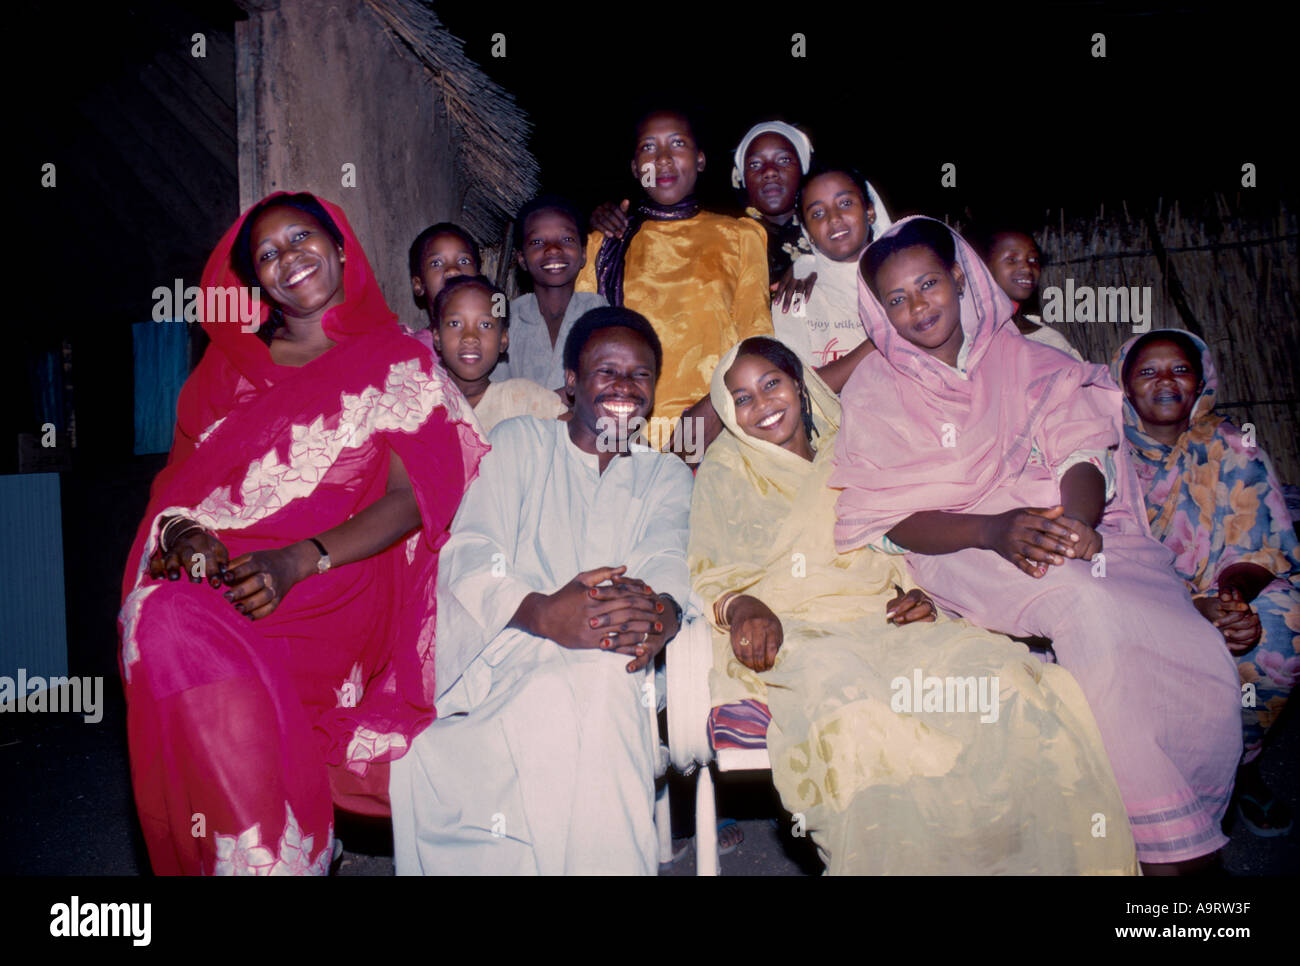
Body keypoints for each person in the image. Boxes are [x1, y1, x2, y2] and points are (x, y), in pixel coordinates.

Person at [831, 216, 1241, 874]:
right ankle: (1171, 848)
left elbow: (1080, 447)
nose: (917, 307)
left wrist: (1078, 522)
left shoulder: (1025, 356)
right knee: (1086, 606)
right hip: (961, 542)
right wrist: (994, 530)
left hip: (1064, 518)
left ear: (962, 277)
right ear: (879, 309)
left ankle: (1175, 812)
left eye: (930, 283)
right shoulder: (877, 389)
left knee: (1184, 638)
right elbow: (890, 517)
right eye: (897, 299)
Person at [118, 192, 487, 875]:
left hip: (335, 581)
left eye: (300, 238)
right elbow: (175, 494)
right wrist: (180, 538)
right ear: (256, 283)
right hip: (220, 582)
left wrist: (298, 560)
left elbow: (413, 500)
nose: (288, 257)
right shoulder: (223, 373)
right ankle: (273, 859)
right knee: (158, 614)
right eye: (267, 254)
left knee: (211, 651)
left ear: (341, 248)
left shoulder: (396, 359)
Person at [689, 336, 1135, 874]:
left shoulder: (856, 447)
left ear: (802, 385)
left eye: (771, 385)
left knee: (1006, 687)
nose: (761, 406)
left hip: (887, 617)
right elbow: (711, 570)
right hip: (798, 631)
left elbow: (901, 536)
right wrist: (744, 609)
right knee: (859, 723)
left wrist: (917, 594)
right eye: (741, 399)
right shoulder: (726, 468)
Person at [390, 307, 693, 875]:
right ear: (573, 382)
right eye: (606, 372)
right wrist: (542, 611)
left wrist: (663, 612)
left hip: (615, 651)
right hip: (506, 651)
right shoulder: (521, 442)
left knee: (601, 672)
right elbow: (475, 551)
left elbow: (667, 558)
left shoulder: (664, 474)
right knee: (582, 682)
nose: (624, 387)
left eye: (641, 375)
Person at [1116, 329, 1298, 836]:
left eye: (1180, 369)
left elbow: (1261, 542)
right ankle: (1155, 783)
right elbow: (1103, 556)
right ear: (1125, 386)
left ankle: (1242, 768)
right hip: (1134, 598)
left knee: (1281, 620)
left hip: (1215, 589)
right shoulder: (1100, 454)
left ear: (1200, 383)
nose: (1166, 381)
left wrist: (1231, 597)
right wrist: (1187, 608)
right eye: (1148, 372)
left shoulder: (1234, 446)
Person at [576, 108, 772, 456]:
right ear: (636, 168)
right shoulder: (603, 243)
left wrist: (714, 412)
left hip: (717, 430)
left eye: (677, 144)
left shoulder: (740, 236)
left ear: (699, 160)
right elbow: (582, 350)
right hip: (622, 435)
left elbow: (756, 341)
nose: (663, 159)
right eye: (649, 147)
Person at [771, 163, 892, 392]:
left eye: (845, 203)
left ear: (870, 211)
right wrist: (882, 338)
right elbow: (801, 388)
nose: (834, 218)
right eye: (817, 213)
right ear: (808, 233)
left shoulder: (907, 272)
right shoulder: (796, 294)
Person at [496, 194, 607, 391]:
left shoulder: (599, 313)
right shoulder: (508, 319)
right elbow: (495, 394)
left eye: (566, 239)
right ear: (521, 258)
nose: (553, 249)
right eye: (537, 242)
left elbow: (601, 387)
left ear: (583, 255)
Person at [431, 274, 566, 433]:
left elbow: (580, 438)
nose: (470, 337)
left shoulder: (522, 400)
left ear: (503, 340)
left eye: (485, 324)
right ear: (437, 337)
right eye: (455, 323)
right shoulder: (418, 403)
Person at [968, 224, 1084, 360]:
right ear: (982, 267)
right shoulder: (966, 338)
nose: (1027, 268)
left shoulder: (1051, 343)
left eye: (1033, 259)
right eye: (1012, 260)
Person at [409, 221, 481, 320]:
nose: (453, 270)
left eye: (464, 261)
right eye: (436, 263)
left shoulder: (496, 334)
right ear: (419, 285)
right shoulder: (402, 336)